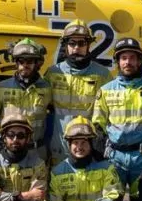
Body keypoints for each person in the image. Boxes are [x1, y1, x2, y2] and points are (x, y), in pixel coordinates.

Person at [92, 38, 142, 193]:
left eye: (132, 58)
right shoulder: (105, 91)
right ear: (118, 62)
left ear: (139, 61)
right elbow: (98, 124)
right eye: (124, 58)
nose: (128, 62)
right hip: (114, 157)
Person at [45, 21, 110, 166]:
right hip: (59, 148)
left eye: (81, 43)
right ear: (65, 45)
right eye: (72, 43)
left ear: (88, 45)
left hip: (88, 148)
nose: (76, 48)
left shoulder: (103, 75)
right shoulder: (53, 73)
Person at [0, 38, 53, 163]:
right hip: (8, 150)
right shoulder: (2, 87)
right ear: (16, 62)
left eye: (29, 61)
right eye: (21, 61)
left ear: (37, 63)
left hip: (36, 152)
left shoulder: (47, 88)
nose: (25, 65)